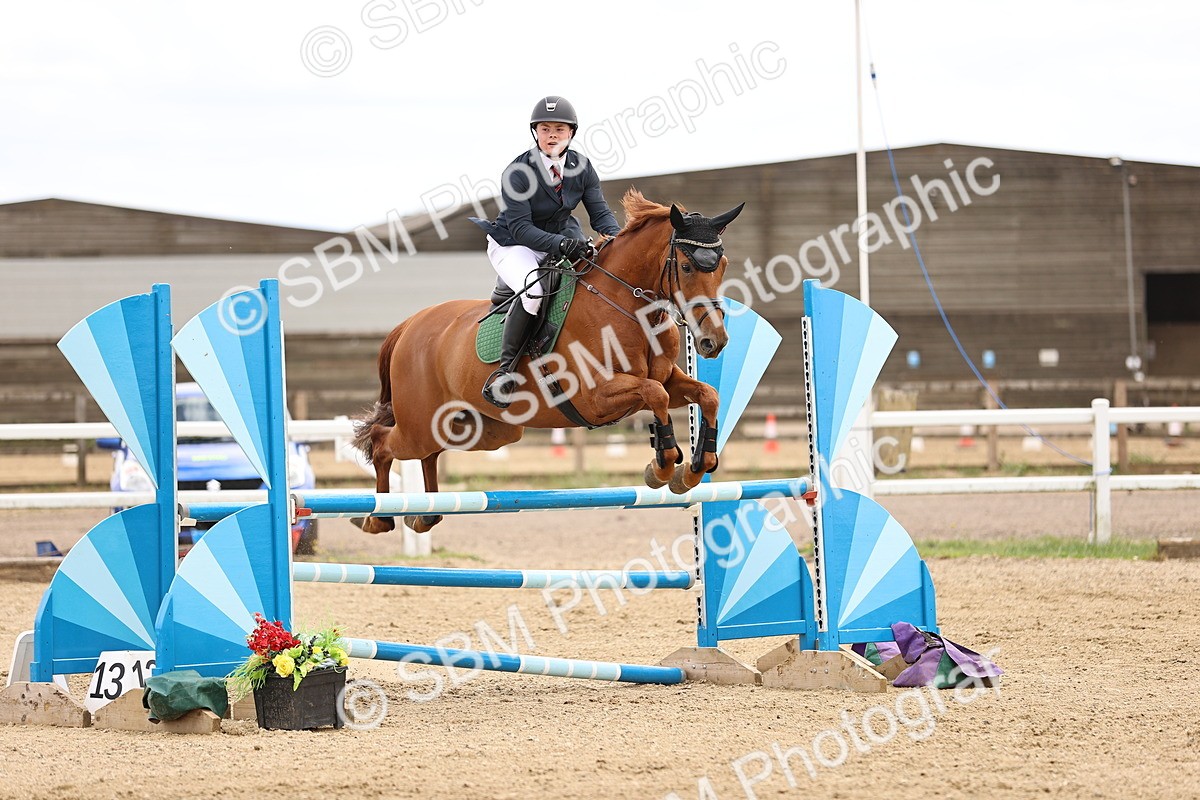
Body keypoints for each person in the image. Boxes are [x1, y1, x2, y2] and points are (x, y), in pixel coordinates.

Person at [471, 95, 622, 408]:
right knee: (534, 291)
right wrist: (564, 244)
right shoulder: (517, 172)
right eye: (545, 128)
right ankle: (504, 372)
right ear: (535, 132)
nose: (552, 134)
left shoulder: (581, 167)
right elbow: (521, 228)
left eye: (559, 129)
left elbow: (600, 213)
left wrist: (620, 240)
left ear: (571, 133)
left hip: (560, 236)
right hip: (513, 244)